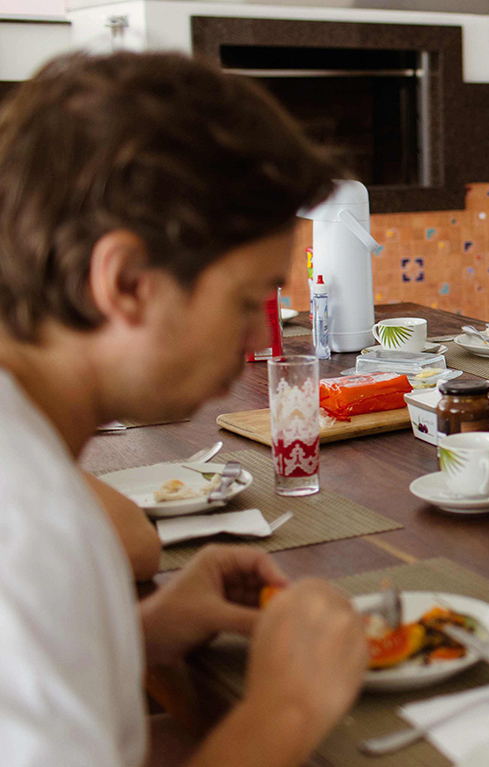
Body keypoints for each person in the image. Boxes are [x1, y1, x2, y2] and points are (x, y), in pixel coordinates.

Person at [0, 51, 369, 766]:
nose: (253, 342)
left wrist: (132, 629)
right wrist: (283, 712)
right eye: (244, 301)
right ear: (128, 281)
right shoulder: (32, 532)